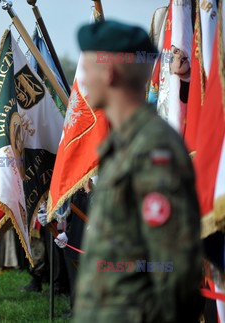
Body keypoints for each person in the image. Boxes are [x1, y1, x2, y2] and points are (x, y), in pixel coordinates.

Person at [72, 21, 202, 322]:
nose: (83, 80)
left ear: (109, 73)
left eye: (87, 68)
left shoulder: (152, 150)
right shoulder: (126, 144)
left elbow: (175, 271)